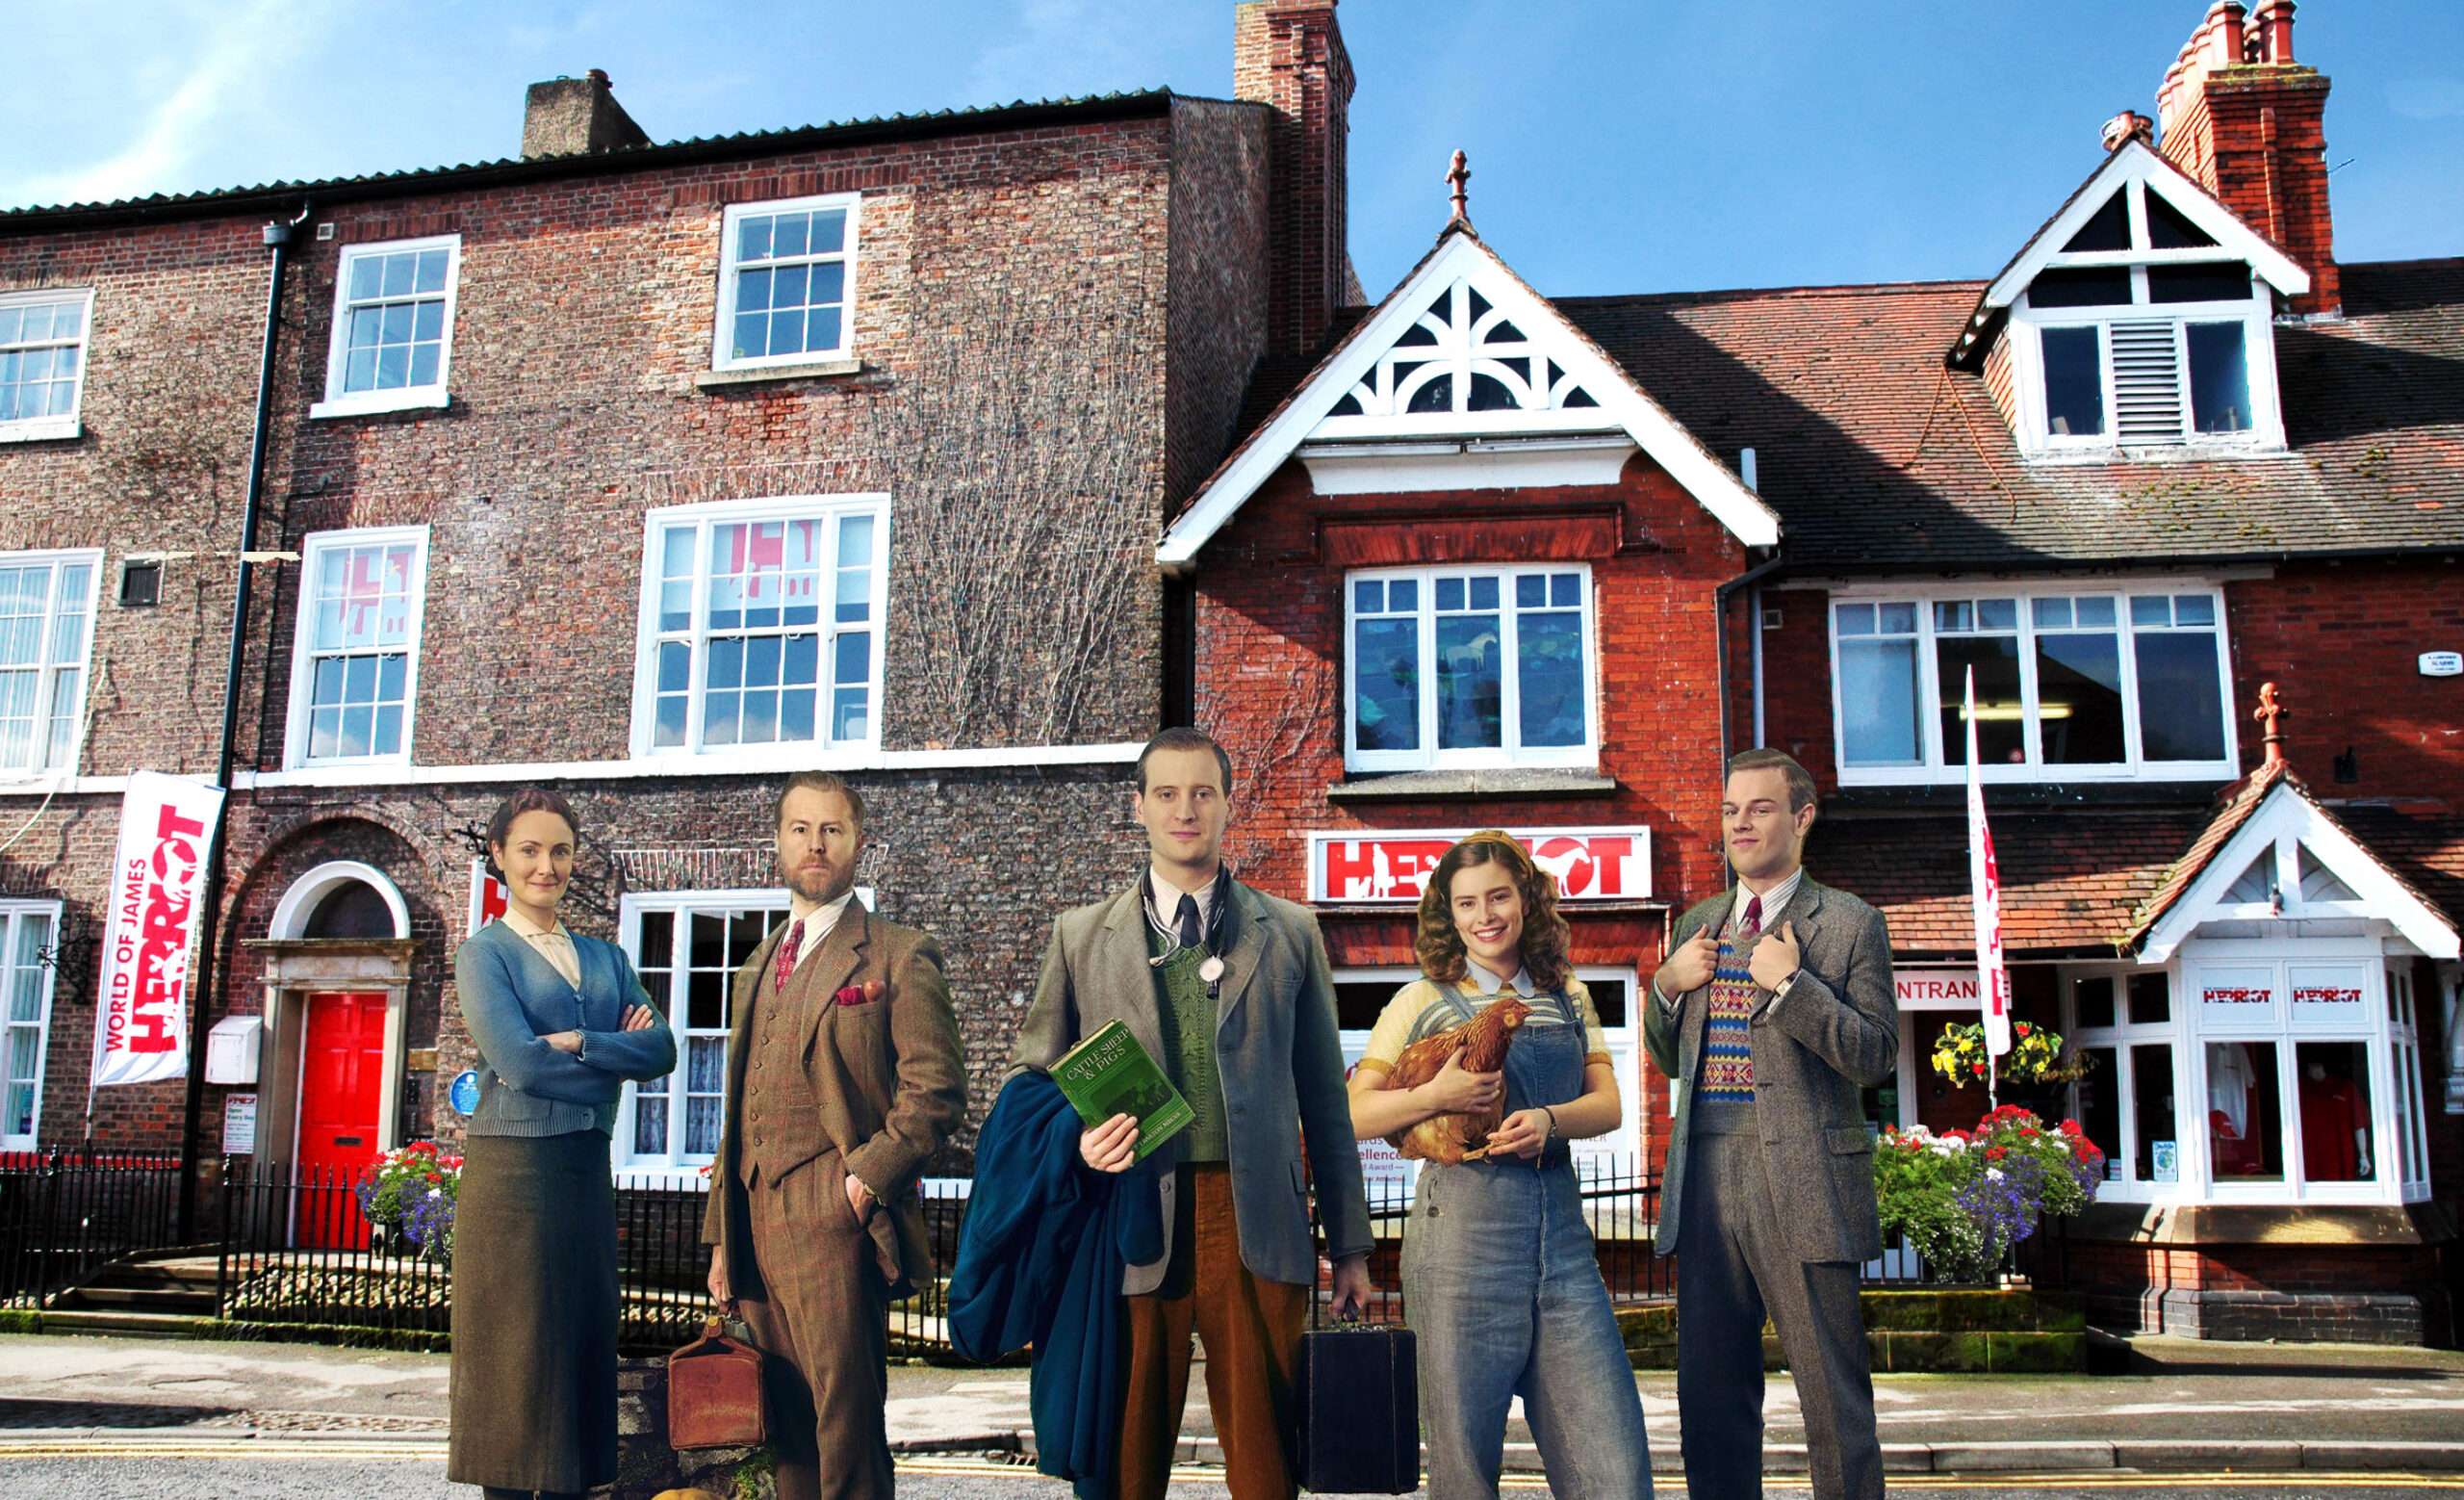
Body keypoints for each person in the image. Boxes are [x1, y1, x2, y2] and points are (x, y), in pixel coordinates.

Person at [1010, 726, 1375, 1500]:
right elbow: (1028, 1083)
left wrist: (1350, 1248)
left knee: (1266, 1465)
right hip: (1129, 1217)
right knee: (1123, 1460)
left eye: (1202, 792)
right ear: (1138, 807)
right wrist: (1079, 1141)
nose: (1186, 810)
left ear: (1226, 805)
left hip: (1255, 1223)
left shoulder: (1293, 933)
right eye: (1167, 794)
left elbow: (1326, 1105)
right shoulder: (1079, 937)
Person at [1348, 831, 1653, 1499]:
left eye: (1498, 896)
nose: (1484, 915)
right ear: (1447, 914)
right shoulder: (1419, 1000)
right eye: (1466, 903)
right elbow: (1353, 1114)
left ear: (1525, 900)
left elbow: (1608, 1106)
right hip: (1459, 1247)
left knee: (1616, 1472)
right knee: (1463, 1474)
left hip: (1565, 1250)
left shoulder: (1567, 994)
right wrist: (1437, 1095)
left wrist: (1549, 1121)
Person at [702, 771, 966, 1500]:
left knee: (844, 1427)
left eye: (832, 830)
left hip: (835, 1215)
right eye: (800, 830)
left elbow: (936, 1091)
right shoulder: (758, 962)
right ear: (779, 843)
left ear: (857, 843)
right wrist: (723, 1233)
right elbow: (736, 1104)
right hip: (752, 1217)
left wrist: (861, 1181)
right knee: (785, 1428)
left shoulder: (898, 952)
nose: (815, 845)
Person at [1644, 749, 1898, 1500]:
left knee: (1832, 1396)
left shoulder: (1851, 923)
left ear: (1801, 817)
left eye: (1759, 808)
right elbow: (1667, 1057)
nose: (1741, 824)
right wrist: (1663, 986)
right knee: (1711, 1395)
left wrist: (1792, 985)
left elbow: (1876, 1055)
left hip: (1807, 1176)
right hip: (1706, 1177)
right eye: (1730, 811)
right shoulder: (1699, 924)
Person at [449, 788, 678, 1500]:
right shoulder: (484, 955)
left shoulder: (606, 959)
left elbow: (664, 1050)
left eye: (560, 851)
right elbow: (517, 1063)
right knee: (516, 1364)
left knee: (580, 1347)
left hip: (582, 1172)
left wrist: (580, 1042)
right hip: (512, 1178)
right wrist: (612, 1064)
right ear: (499, 858)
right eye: (529, 850)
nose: (545, 866)